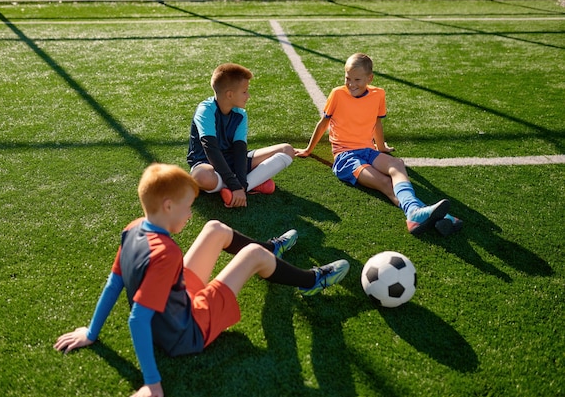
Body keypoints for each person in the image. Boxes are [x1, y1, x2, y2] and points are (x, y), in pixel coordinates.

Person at [54, 163, 349, 397]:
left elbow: (113, 283)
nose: (189, 213)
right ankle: (310, 280)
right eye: (186, 206)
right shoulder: (165, 252)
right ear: (168, 206)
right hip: (186, 331)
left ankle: (270, 249)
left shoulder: (133, 229)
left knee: (214, 228)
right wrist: (152, 384)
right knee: (249, 257)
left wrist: (92, 332)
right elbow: (137, 320)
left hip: (174, 306)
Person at [295, 53, 462, 236]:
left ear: (370, 78)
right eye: (347, 78)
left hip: (368, 150)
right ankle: (430, 216)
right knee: (384, 182)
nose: (351, 84)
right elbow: (323, 123)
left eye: (357, 79)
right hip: (345, 157)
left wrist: (381, 147)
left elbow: (377, 123)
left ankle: (416, 215)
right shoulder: (337, 94)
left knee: (397, 164)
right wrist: (308, 149)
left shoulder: (378, 94)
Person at [187, 63, 295, 208]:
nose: (248, 96)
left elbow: (239, 151)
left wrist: (240, 186)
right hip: (207, 163)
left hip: (233, 162)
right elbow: (211, 149)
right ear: (229, 94)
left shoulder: (240, 114)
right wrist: (234, 184)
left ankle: (237, 189)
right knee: (201, 177)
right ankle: (253, 183)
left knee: (287, 150)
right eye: (245, 92)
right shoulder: (205, 110)